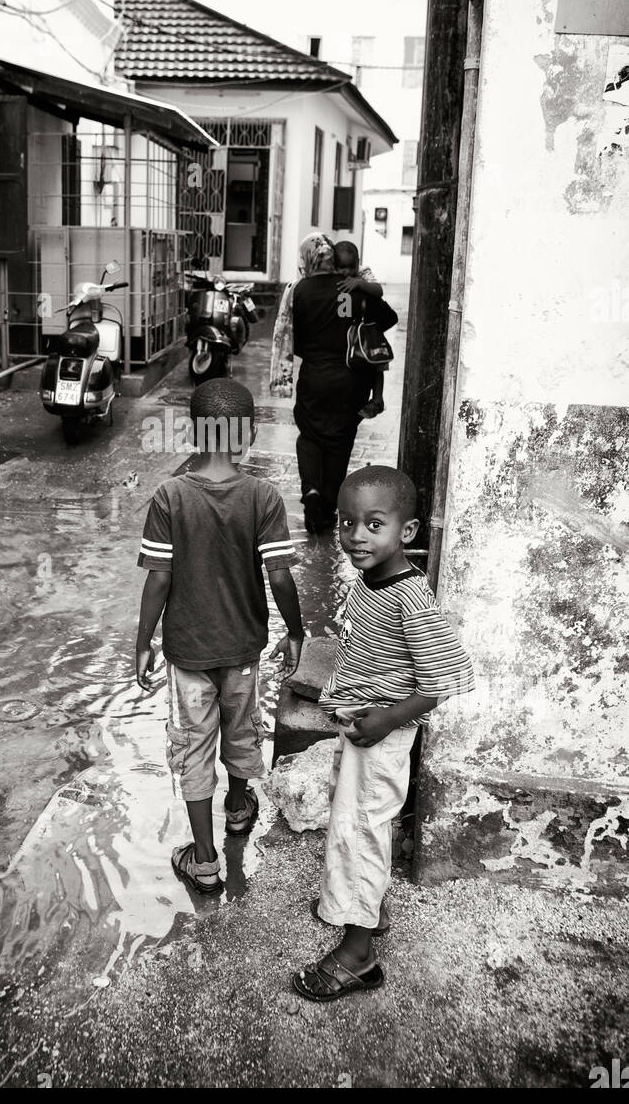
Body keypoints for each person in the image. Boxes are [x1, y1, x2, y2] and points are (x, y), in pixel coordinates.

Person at [292, 466, 475, 1003]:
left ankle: (358, 955)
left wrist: (387, 719)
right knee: (354, 823)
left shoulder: (411, 598)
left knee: (363, 829)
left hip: (382, 733)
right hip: (363, 728)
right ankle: (363, 907)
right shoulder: (368, 583)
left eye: (374, 524)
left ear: (407, 532)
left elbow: (446, 679)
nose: (356, 536)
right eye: (348, 522)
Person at [134, 378, 304, 895]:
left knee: (193, 746)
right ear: (248, 433)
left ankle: (204, 859)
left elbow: (158, 578)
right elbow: (279, 576)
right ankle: (237, 808)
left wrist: (143, 641)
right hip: (242, 649)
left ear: (192, 432)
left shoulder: (170, 497)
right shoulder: (262, 497)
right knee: (240, 728)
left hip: (187, 654)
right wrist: (297, 631)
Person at [269, 234, 396, 535]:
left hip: (314, 377)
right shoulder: (353, 289)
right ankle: (327, 507)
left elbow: (292, 339)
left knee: (310, 436)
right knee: (339, 442)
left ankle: (311, 491)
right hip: (353, 381)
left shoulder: (299, 291)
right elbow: (388, 318)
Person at [333, 239, 388, 419]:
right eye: (341, 267)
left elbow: (378, 291)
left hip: (368, 328)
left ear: (358, 263)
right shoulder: (334, 277)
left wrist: (359, 283)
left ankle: (378, 399)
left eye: (350, 267)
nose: (346, 272)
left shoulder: (363, 273)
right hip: (351, 329)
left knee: (377, 361)